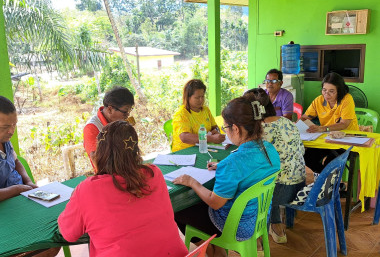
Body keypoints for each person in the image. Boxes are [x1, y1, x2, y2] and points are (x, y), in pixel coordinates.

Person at [59, 121, 188, 257]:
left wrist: (77, 197)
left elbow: (68, 234)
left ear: (100, 153)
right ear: (136, 151)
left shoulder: (87, 189)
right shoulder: (153, 173)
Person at [173, 95, 280, 257]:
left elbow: (214, 203)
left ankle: (214, 251)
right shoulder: (269, 149)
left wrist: (192, 182)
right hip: (258, 218)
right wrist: (221, 166)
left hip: (236, 225)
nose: (225, 132)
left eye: (225, 128)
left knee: (179, 211)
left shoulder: (233, 163)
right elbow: (248, 169)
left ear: (236, 129)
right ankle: (217, 250)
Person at [244, 88, 306, 244]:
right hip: (299, 186)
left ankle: (255, 239)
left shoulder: (260, 130)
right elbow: (302, 150)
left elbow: (248, 163)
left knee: (247, 184)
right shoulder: (287, 122)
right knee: (272, 175)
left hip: (280, 193)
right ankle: (276, 226)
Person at [301, 72, 359, 173]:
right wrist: (294, 125)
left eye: (331, 91)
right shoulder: (318, 101)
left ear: (339, 91)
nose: (326, 94)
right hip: (327, 139)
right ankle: (328, 183)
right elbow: (305, 118)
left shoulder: (347, 99)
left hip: (347, 139)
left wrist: (323, 128)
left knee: (330, 162)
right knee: (307, 158)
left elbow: (344, 124)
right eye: (324, 90)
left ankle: (331, 183)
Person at [83, 86, 134, 170]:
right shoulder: (92, 127)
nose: (127, 116)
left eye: (129, 111)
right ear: (110, 109)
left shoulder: (118, 123)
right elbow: (97, 162)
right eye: (125, 112)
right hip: (108, 176)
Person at [0, 96, 38, 202]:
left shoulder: (6, 141)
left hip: (20, 197)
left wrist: (28, 182)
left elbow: (16, 161)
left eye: (14, 124)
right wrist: (17, 190)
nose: (11, 131)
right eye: (5, 127)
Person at [172, 79, 225, 152]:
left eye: (202, 96)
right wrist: (210, 138)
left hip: (204, 148)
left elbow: (214, 127)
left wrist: (215, 132)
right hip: (185, 151)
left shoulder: (205, 110)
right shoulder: (181, 114)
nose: (201, 100)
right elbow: (184, 137)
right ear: (188, 97)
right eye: (197, 98)